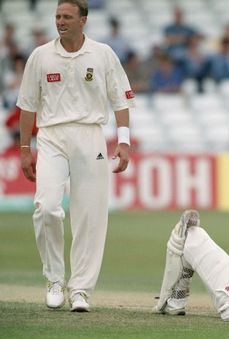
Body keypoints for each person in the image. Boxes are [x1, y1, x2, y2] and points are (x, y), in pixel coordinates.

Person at [17, 0, 134, 312]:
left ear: (83, 20)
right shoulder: (40, 56)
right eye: (57, 16)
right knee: (46, 208)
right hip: (52, 137)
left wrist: (124, 141)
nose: (60, 21)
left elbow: (120, 99)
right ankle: (55, 279)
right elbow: (27, 105)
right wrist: (25, 149)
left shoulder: (103, 54)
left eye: (67, 16)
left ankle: (80, 289)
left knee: (90, 216)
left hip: (90, 134)